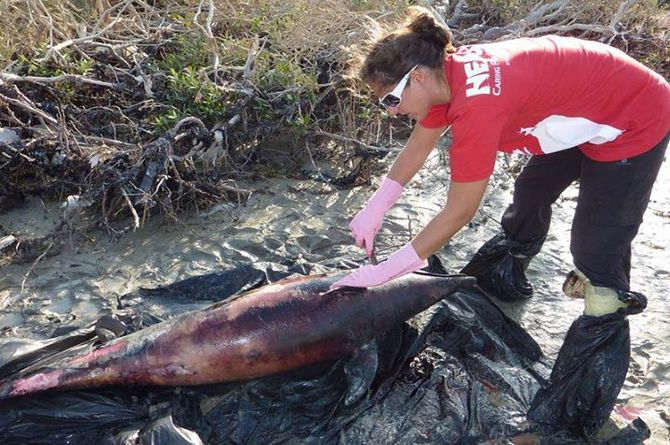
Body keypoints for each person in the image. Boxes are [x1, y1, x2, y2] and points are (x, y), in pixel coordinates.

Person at [329, 5, 670, 437]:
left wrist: (391, 268)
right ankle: (505, 279)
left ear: (416, 77)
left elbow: (460, 211)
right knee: (529, 196)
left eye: (391, 100)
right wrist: (377, 204)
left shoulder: (478, 107)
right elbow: (420, 144)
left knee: (596, 253)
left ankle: (587, 393)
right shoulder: (444, 76)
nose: (391, 111)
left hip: (634, 117)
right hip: (582, 104)